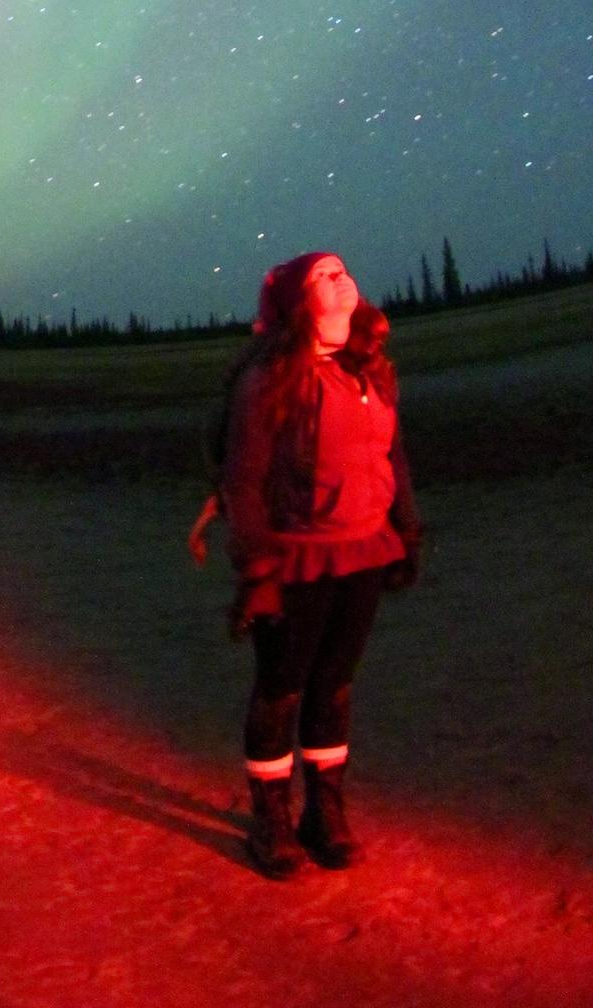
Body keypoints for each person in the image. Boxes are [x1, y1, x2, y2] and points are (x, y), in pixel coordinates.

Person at [217, 251, 421, 876]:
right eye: (323, 276)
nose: (342, 277)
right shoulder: (271, 378)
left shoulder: (371, 369)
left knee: (334, 682)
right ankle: (271, 817)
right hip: (297, 558)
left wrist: (406, 528)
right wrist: (258, 573)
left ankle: (323, 813)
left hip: (362, 548)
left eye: (343, 269)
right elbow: (243, 482)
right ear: (297, 305)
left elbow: (393, 454)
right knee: (281, 687)